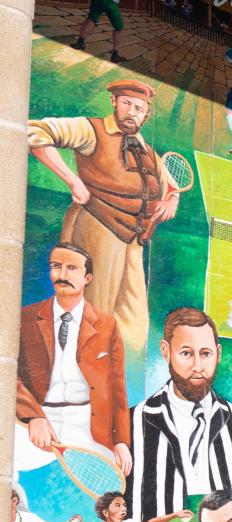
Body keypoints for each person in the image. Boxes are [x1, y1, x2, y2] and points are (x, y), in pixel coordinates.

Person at [28, 79, 179, 353]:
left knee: (134, 322)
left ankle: (117, 373)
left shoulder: (144, 147)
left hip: (133, 242)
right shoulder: (91, 129)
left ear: (146, 114)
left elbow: (169, 183)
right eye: (127, 104)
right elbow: (36, 132)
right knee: (94, 311)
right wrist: (72, 180)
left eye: (139, 108)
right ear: (114, 103)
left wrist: (172, 199)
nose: (132, 112)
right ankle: (80, 373)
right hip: (96, 228)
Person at [132, 307, 232, 519]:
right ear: (165, 351)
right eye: (186, 353)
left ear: (218, 354)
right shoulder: (135, 421)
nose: (198, 366)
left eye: (205, 354)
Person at [15, 243, 131, 476]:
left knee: (116, 480)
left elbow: (117, 386)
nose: (63, 275)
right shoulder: (25, 318)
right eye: (56, 267)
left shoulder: (107, 325)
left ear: (87, 277)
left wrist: (121, 442)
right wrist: (33, 416)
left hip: (87, 423)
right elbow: (9, 375)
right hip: (39, 417)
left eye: (72, 268)